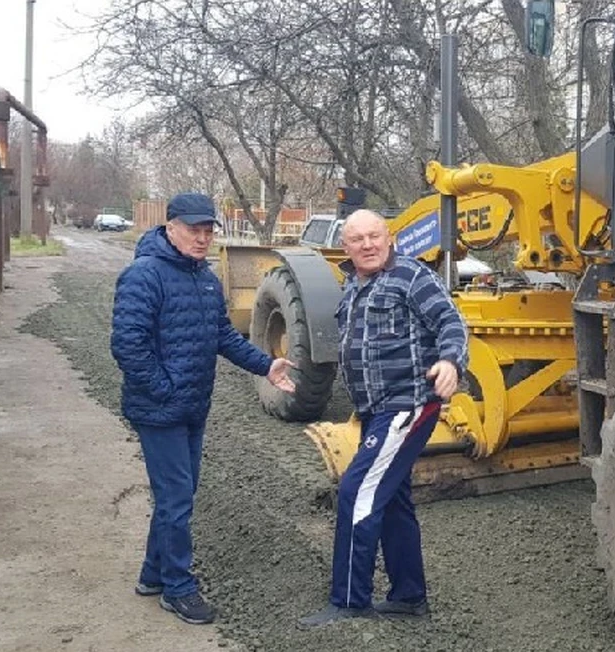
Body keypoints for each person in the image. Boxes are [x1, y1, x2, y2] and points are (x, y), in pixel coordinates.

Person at [110, 192, 295, 625]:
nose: (202, 237)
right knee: (176, 498)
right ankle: (178, 588)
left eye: (208, 229)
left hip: (193, 406)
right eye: (194, 229)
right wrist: (165, 389)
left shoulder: (204, 278)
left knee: (179, 494)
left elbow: (222, 337)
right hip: (160, 409)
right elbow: (127, 346)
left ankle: (153, 575)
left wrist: (267, 365)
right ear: (170, 227)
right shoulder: (144, 275)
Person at [299, 209, 468, 627]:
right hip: (375, 409)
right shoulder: (351, 287)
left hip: (406, 404)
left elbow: (451, 321)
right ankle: (410, 597)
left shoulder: (412, 276)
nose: (368, 245)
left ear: (389, 237)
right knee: (392, 499)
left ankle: (348, 601)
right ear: (346, 247)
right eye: (358, 239)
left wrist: (450, 361)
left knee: (356, 493)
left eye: (375, 236)